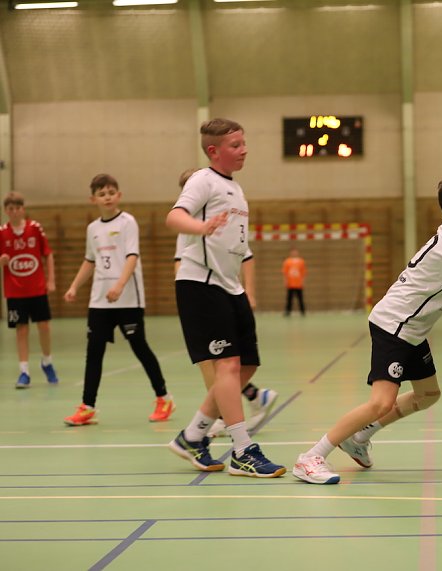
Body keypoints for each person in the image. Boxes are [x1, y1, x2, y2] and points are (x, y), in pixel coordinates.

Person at [292, 175, 442, 484]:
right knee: (381, 403)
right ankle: (311, 457)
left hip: (412, 329)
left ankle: (359, 438)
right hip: (395, 325)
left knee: (428, 394)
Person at [167, 118, 285, 478]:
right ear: (214, 151)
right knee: (228, 367)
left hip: (229, 286)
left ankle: (192, 436)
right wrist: (199, 227)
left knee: (245, 366)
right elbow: (174, 216)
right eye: (236, 145)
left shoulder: (235, 189)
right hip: (201, 284)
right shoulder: (203, 180)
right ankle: (242, 449)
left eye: (244, 143)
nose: (244, 149)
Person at [62, 174, 175, 426]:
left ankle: (164, 398)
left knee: (140, 348)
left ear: (119, 195)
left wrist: (120, 285)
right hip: (99, 301)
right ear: (94, 199)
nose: (108, 197)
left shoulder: (127, 222)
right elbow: (90, 260)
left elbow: (132, 256)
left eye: (111, 192)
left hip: (127, 299)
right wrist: (74, 287)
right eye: (102, 194)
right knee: (94, 353)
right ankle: (87, 407)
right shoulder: (93, 228)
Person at [174, 168, 278, 438]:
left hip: (226, 292)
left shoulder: (227, 215)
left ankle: (216, 421)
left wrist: (249, 293)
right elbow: (180, 264)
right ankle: (246, 405)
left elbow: (247, 256)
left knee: (223, 364)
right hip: (201, 293)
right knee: (220, 363)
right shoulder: (189, 224)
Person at [0, 192, 60, 389]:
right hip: (15, 292)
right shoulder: (2, 233)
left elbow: (48, 254)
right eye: (11, 209)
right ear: (6, 211)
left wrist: (51, 280)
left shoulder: (35, 229)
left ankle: (47, 361)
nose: (15, 212)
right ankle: (24, 371)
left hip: (37, 289)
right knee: (21, 330)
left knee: (44, 326)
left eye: (18, 208)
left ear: (23, 210)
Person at [282, 248, 306, 316]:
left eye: (295, 252)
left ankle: (303, 311)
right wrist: (285, 282)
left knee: (300, 299)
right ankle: (288, 311)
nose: (294, 253)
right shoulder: (287, 261)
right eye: (293, 252)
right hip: (290, 284)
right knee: (289, 299)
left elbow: (303, 273)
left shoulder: (301, 261)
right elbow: (285, 273)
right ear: (291, 253)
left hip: (298, 284)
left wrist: (303, 282)